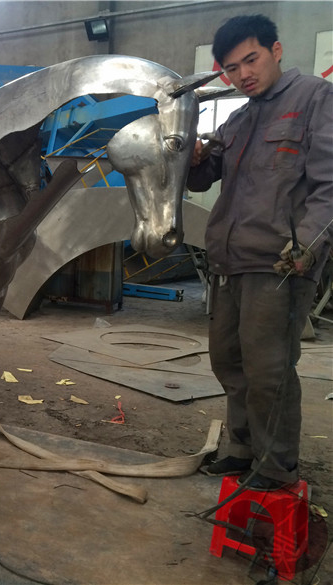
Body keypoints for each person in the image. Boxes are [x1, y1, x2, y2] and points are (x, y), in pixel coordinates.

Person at [188, 14, 333, 491]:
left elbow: (329, 185)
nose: (244, 74)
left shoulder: (315, 98)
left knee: (268, 370)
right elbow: (202, 180)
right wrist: (195, 158)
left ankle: (275, 468)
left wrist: (306, 246)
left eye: (251, 60)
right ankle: (242, 449)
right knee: (229, 361)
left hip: (279, 263)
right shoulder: (238, 118)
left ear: (276, 50)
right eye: (232, 68)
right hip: (229, 260)